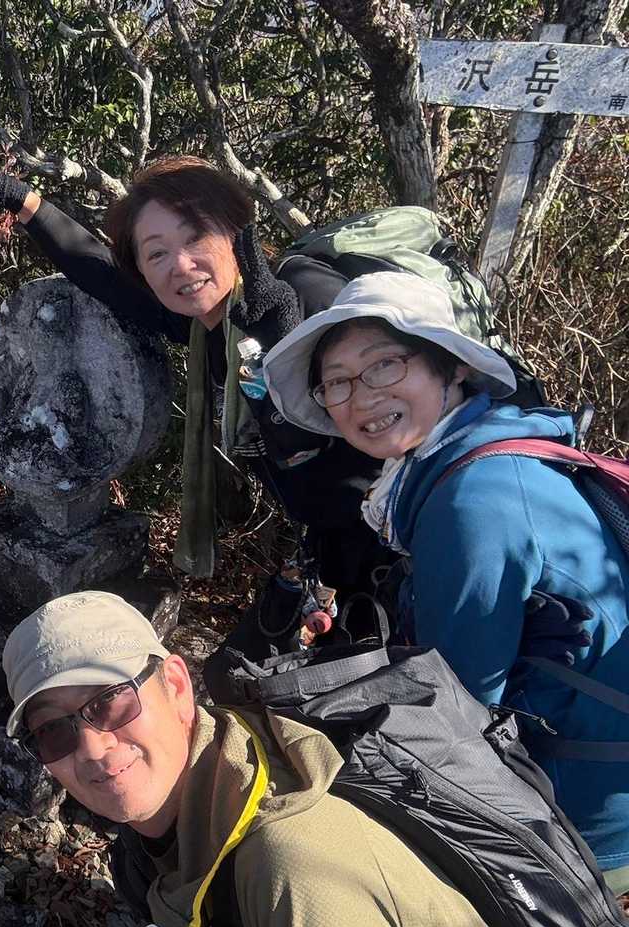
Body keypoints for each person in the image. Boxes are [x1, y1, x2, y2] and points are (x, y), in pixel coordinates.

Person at [2, 589, 601, 927]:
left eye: (110, 702)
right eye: (54, 732)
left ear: (178, 687)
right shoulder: (166, 830)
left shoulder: (296, 863)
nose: (93, 748)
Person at [0, 158, 394, 688]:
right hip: (335, 549)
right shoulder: (209, 325)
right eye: (156, 253)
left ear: (236, 231)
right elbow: (100, 273)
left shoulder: (306, 297)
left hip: (403, 548)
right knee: (251, 681)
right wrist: (22, 200)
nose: (181, 264)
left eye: (195, 237)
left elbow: (406, 418)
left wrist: (286, 347)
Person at [260, 271, 629, 890]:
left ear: (452, 367)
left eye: (384, 365)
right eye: (338, 382)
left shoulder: (473, 502)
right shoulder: (504, 451)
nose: (361, 397)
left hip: (578, 823)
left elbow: (454, 715)